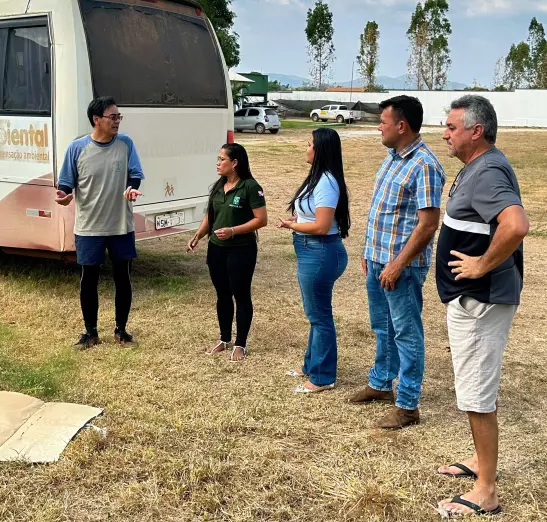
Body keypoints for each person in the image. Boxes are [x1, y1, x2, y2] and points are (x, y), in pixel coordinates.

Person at [435, 95, 529, 517]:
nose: (445, 134)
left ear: (476, 131)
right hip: (472, 299)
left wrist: (480, 265)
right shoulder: (478, 168)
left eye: (452, 127)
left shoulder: (488, 170)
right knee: (472, 385)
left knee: (477, 393)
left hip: (482, 300)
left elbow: (516, 225)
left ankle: (486, 491)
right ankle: (479, 462)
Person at [348, 95, 446, 430]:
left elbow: (428, 224)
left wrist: (397, 264)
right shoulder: (392, 158)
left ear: (401, 126)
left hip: (400, 267)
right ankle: (380, 384)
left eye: (383, 122)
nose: (379, 127)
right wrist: (369, 252)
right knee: (382, 326)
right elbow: (382, 211)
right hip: (378, 259)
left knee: (406, 331)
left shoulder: (424, 165)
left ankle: (407, 405)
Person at [55, 96, 144, 350]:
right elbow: (65, 184)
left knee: (122, 277)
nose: (117, 122)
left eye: (118, 117)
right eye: (112, 117)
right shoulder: (77, 148)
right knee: (89, 279)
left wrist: (131, 189)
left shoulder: (126, 144)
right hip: (89, 227)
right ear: (97, 120)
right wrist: (63, 196)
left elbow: (135, 175)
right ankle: (90, 332)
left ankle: (121, 330)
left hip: (120, 226)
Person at [277, 128, 350, 394]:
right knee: (315, 313)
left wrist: (293, 227)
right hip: (311, 250)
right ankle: (311, 364)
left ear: (320, 149)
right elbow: (311, 218)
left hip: (319, 252)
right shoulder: (316, 178)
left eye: (309, 144)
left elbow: (321, 226)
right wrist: (297, 221)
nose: (305, 148)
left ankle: (322, 377)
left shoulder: (327, 182)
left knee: (319, 316)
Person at [187, 144, 268, 362]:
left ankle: (240, 343)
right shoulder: (218, 187)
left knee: (241, 296)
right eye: (218, 158)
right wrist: (198, 236)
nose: (218, 163)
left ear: (235, 163)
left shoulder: (250, 187)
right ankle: (224, 339)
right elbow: (210, 217)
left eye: (222, 159)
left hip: (241, 250)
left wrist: (233, 231)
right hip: (216, 249)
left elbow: (261, 220)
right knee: (222, 295)